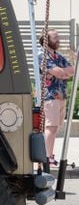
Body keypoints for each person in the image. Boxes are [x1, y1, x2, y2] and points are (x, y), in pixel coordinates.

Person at [39, 29, 75, 167]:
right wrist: (60, 73)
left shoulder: (58, 56)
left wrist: (61, 73)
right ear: (46, 39)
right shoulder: (42, 55)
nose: (58, 40)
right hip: (50, 95)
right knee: (50, 127)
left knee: (55, 128)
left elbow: (71, 70)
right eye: (55, 37)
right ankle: (47, 159)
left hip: (61, 95)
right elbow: (59, 73)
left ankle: (50, 155)